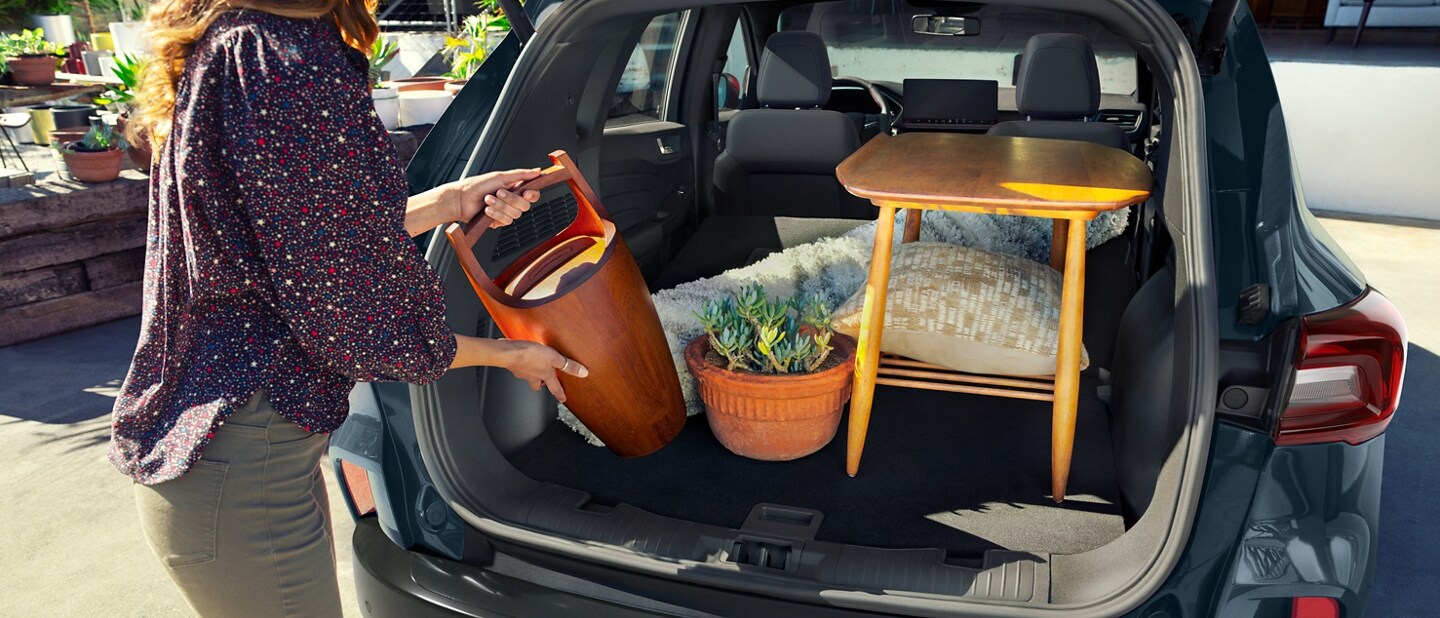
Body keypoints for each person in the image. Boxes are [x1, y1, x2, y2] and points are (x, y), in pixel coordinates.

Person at [108, 0, 586, 615]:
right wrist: (507, 353)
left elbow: (302, 244)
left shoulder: (238, 43)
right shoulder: (289, 61)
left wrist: (448, 201)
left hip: (229, 456)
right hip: (243, 463)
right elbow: (351, 315)